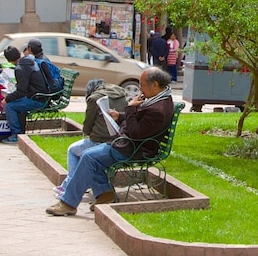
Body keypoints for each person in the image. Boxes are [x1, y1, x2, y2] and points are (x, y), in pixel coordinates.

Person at [47, 68, 174, 216]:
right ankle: (105, 194)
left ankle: (68, 203)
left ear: (155, 84)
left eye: (142, 85)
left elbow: (136, 132)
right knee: (90, 155)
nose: (140, 89)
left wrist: (131, 108)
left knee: (88, 157)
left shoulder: (158, 109)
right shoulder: (158, 99)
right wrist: (119, 116)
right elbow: (141, 123)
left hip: (134, 149)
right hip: (129, 143)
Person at [53, 79, 128, 198]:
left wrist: (87, 133)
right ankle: (73, 185)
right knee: (85, 154)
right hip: (119, 140)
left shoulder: (94, 98)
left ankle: (69, 186)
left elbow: (88, 123)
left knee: (73, 150)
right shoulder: (121, 94)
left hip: (101, 140)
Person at [0, 45, 47, 144]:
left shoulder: (20, 68)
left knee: (10, 106)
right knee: (14, 102)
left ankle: (16, 135)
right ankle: (19, 131)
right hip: (42, 97)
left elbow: (21, 91)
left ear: (9, 60)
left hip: (37, 100)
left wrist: (7, 99)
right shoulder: (28, 61)